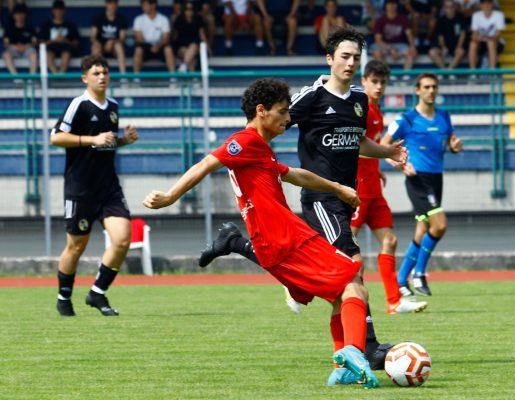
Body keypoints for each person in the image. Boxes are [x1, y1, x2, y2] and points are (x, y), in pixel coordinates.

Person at [143, 78, 381, 389]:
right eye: (282, 112)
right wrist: (171, 196)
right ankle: (353, 355)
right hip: (285, 238)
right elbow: (207, 162)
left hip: (280, 240)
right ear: (261, 111)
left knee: (341, 295)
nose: (288, 118)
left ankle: (344, 364)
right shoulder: (245, 141)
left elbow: (294, 174)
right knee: (354, 285)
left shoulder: (260, 150)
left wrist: (337, 188)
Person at [199, 27, 408, 372]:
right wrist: (259, 159)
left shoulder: (358, 101)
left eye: (356, 57)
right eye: (344, 56)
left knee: (340, 282)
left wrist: (385, 151)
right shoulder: (310, 97)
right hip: (322, 199)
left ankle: (347, 355)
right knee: (351, 270)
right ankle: (365, 347)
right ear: (329, 59)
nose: (351, 63)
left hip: (345, 198)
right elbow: (272, 119)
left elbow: (355, 140)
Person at [51, 54, 139, 317]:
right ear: (85, 78)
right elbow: (55, 138)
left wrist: (124, 141)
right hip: (80, 189)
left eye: (105, 73)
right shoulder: (78, 105)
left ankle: (97, 293)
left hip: (108, 188)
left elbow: (106, 142)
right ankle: (63, 297)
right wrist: (92, 139)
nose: (102, 77)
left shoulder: (112, 106)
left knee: (123, 239)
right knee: (76, 246)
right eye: (96, 73)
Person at [351, 59, 428, 314]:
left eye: (383, 82)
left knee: (391, 240)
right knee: (345, 245)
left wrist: (380, 168)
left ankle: (394, 302)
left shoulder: (377, 109)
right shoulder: (360, 110)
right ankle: (303, 285)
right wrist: (385, 156)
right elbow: (352, 149)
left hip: (373, 185)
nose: (379, 86)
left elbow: (372, 148)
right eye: (374, 81)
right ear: (363, 81)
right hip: (358, 188)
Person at [381, 72, 463, 297]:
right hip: (418, 179)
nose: (431, 91)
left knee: (424, 229)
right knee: (440, 224)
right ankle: (419, 274)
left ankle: (400, 280)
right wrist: (399, 164)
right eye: (426, 87)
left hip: (437, 177)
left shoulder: (444, 117)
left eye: (434, 87)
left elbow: (450, 142)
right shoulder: (406, 120)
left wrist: (456, 146)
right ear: (417, 90)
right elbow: (383, 146)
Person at [370, 0, 416, 72]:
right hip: (384, 44)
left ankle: (406, 74)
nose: (391, 6)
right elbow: (378, 40)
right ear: (385, 6)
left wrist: (412, 46)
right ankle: (387, 74)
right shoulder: (380, 20)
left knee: (412, 52)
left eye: (393, 4)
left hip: (399, 44)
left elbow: (409, 35)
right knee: (376, 53)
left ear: (397, 6)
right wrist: (390, 49)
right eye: (389, 4)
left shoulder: (403, 18)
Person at [133, 0, 176, 75]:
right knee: (138, 49)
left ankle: (173, 79)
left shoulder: (163, 19)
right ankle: (136, 80)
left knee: (168, 49)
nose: (143, 7)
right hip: (145, 46)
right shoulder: (138, 19)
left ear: (153, 5)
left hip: (160, 46)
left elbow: (166, 38)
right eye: (142, 5)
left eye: (145, 5)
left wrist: (158, 46)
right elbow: (139, 38)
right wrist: (150, 46)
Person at [39, 0, 80, 74]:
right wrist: (54, 40)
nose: (58, 12)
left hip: (66, 48)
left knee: (66, 53)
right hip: (51, 47)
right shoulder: (46, 25)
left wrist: (65, 40)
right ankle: (56, 74)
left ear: (64, 11)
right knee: (48, 54)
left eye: (60, 10)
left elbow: (76, 44)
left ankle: (61, 74)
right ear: (53, 11)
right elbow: (41, 43)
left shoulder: (70, 25)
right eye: (56, 10)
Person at [90, 0, 128, 76]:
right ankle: (97, 77)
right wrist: (97, 42)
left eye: (114, 3)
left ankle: (123, 77)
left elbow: (122, 39)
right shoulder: (98, 17)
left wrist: (112, 42)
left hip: (114, 48)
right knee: (95, 47)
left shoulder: (121, 19)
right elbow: (92, 37)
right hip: (101, 46)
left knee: (119, 46)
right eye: (110, 3)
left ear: (117, 4)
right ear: (106, 4)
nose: (112, 5)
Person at [428, 0, 467, 71]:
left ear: (454, 7)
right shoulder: (441, 20)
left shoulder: (460, 18)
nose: (449, 9)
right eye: (447, 7)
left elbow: (462, 34)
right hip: (445, 45)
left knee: (460, 52)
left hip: (456, 44)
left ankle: (449, 71)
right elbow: (440, 37)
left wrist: (459, 46)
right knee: (432, 52)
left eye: (451, 6)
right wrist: (443, 47)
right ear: (444, 8)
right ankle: (443, 70)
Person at [172, 1, 210, 71]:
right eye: (187, 9)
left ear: (194, 10)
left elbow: (202, 35)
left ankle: (184, 65)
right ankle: (194, 78)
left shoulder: (198, 19)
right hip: (181, 47)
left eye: (191, 9)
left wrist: (208, 48)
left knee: (193, 46)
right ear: (184, 10)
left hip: (195, 47)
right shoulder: (179, 20)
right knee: (189, 55)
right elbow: (175, 36)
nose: (189, 11)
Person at [2, 3, 37, 76]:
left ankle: (32, 78)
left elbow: (34, 43)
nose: (20, 16)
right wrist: (16, 47)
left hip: (27, 49)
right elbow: (6, 44)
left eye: (22, 14)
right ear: (13, 15)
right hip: (13, 49)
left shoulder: (30, 28)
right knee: (6, 54)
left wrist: (25, 46)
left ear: (25, 15)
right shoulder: (9, 29)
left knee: (33, 54)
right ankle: (16, 77)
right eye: (17, 14)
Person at [468, 0, 505, 70]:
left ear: (492, 4)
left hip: (496, 43)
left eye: (488, 3)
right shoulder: (476, 15)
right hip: (481, 42)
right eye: (484, 3)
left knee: (490, 43)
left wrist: (485, 37)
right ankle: (472, 72)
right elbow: (474, 34)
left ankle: (492, 72)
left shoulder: (499, 15)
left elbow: (498, 34)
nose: (486, 5)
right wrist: (478, 38)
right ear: (480, 5)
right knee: (472, 44)